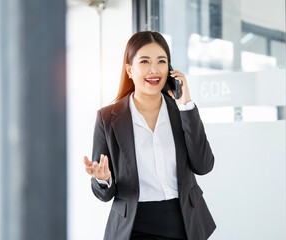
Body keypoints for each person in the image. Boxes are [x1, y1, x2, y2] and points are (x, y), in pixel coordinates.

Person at [83, 31, 216, 240]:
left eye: (161, 61)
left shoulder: (182, 112)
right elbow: (103, 194)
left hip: (186, 223)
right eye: (144, 61)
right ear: (129, 69)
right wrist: (104, 179)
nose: (154, 70)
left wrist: (186, 106)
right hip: (135, 226)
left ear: (170, 69)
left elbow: (204, 166)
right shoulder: (107, 118)